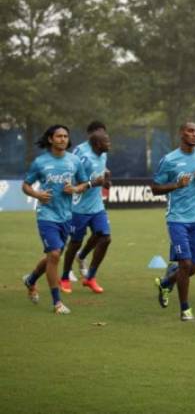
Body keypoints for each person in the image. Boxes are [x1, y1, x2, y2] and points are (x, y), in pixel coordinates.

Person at [21, 125, 89, 314]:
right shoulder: (40, 162)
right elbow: (25, 185)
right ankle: (57, 303)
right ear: (50, 139)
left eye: (65, 136)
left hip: (66, 216)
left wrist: (75, 189)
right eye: (59, 136)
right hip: (46, 215)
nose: (63, 139)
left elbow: (84, 183)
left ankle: (31, 280)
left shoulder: (74, 161)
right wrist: (37, 194)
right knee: (54, 255)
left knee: (53, 255)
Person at [151, 122, 195, 321]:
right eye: (190, 131)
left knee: (192, 267)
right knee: (185, 263)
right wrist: (176, 185)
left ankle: (166, 283)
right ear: (181, 133)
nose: (194, 134)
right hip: (177, 219)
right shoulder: (169, 159)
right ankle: (185, 309)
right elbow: (155, 188)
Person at [59, 131, 111, 294]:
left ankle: (90, 277)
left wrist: (106, 181)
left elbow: (102, 174)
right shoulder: (83, 159)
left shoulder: (102, 156)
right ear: (97, 145)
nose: (109, 144)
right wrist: (93, 183)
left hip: (97, 207)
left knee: (105, 238)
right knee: (75, 244)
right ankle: (65, 277)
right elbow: (73, 184)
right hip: (78, 209)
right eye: (106, 142)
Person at [68, 120, 110, 279]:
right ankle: (69, 269)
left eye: (104, 132)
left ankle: (82, 256)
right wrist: (91, 183)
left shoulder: (103, 150)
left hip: (96, 203)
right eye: (100, 132)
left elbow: (100, 167)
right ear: (91, 135)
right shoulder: (80, 151)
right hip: (78, 202)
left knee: (103, 236)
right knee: (75, 240)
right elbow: (72, 174)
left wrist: (106, 176)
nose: (104, 136)